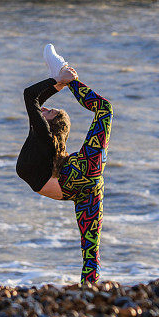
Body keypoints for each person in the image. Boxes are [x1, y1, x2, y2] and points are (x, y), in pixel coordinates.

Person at [15, 44, 113, 284]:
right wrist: (57, 83)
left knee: (105, 110)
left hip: (79, 175)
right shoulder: (45, 141)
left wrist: (62, 80)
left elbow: (31, 96)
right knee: (90, 248)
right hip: (80, 187)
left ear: (50, 124)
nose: (45, 109)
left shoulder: (44, 137)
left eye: (50, 112)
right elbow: (35, 100)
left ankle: (64, 73)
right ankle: (89, 289)